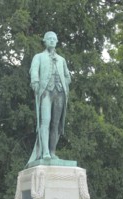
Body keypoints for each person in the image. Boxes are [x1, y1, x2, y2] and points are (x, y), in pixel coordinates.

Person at [28, 31, 71, 163]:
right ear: (45, 41)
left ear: (57, 41)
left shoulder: (61, 60)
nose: (52, 41)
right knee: (45, 121)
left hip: (60, 93)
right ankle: (45, 151)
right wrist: (35, 82)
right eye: (49, 39)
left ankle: (52, 152)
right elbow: (33, 70)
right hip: (46, 92)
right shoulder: (39, 57)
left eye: (54, 39)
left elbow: (68, 76)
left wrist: (64, 83)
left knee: (56, 124)